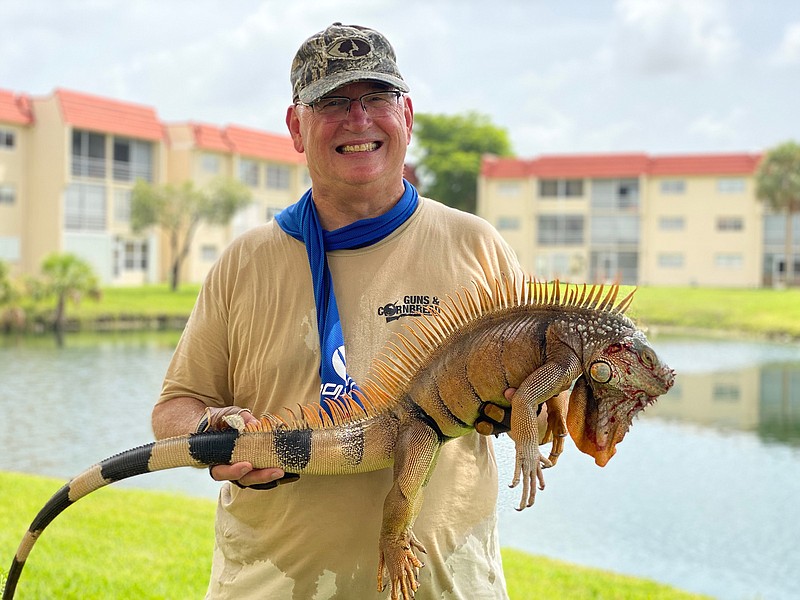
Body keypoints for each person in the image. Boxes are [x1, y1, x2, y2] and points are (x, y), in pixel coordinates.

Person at [152, 22, 549, 599]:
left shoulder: (477, 247)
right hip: (271, 586)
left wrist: (538, 413)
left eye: (377, 96)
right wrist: (211, 435)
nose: (358, 118)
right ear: (296, 126)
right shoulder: (244, 262)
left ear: (406, 115)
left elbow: (548, 393)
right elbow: (174, 409)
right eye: (332, 101)